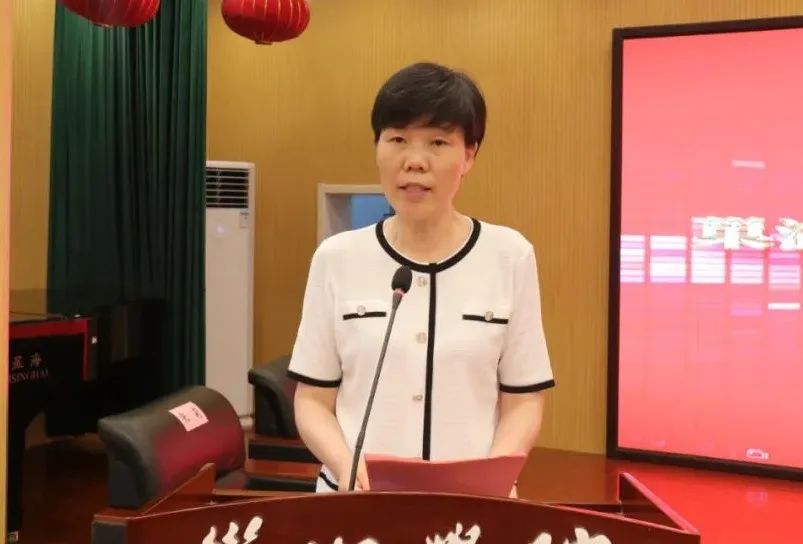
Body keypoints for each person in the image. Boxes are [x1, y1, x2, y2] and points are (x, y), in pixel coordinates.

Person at [286, 62, 555, 495]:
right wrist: (348, 468)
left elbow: (523, 400)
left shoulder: (509, 256)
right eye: (397, 140)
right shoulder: (336, 259)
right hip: (354, 503)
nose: (414, 162)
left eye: (437, 142)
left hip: (473, 508)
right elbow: (312, 400)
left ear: (469, 155)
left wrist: (490, 481)